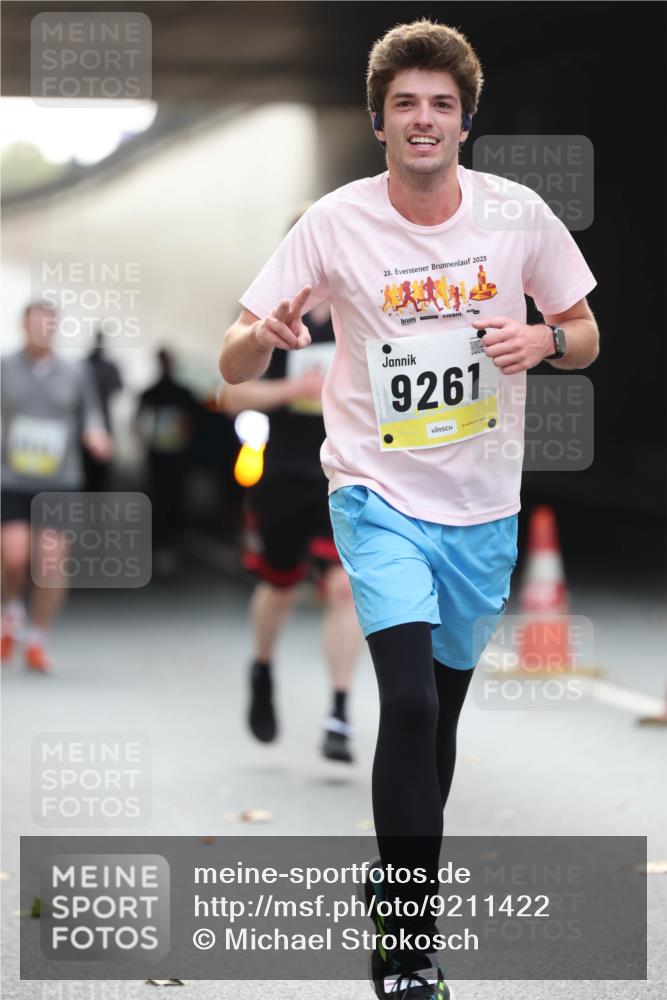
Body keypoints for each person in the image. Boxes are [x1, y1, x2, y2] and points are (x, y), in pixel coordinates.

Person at [219, 18, 599, 999]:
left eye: (439, 104)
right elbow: (232, 356)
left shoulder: (515, 214)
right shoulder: (335, 221)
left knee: (442, 718)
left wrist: (540, 342)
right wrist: (256, 339)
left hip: (481, 504)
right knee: (412, 700)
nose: (422, 120)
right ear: (378, 121)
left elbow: (584, 329)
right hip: (375, 493)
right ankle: (407, 943)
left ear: (463, 123)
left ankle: (398, 895)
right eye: (404, 105)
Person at [220, 295, 363, 763]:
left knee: (344, 590)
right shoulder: (271, 321)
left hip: (343, 477)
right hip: (283, 476)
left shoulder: (360, 311)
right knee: (279, 587)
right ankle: (262, 668)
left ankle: (339, 712)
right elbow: (232, 395)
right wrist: (296, 390)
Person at [1, 301, 111, 672]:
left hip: (59, 480)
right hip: (13, 478)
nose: (42, 330)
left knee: (50, 562)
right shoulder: (6, 369)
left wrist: (95, 433)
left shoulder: (74, 372)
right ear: (24, 326)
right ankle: (11, 613)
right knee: (15, 557)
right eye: (36, 324)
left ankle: (37, 639)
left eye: (49, 325)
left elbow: (90, 412)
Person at [136, 348, 201, 577]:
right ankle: (161, 547)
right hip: (160, 457)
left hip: (175, 457)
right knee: (160, 500)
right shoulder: (153, 393)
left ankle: (169, 546)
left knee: (172, 499)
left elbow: (195, 422)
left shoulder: (178, 393)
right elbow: (138, 423)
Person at [83, 329, 123, 491]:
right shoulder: (91, 366)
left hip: (96, 423)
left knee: (94, 474)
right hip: (95, 423)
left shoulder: (86, 365)